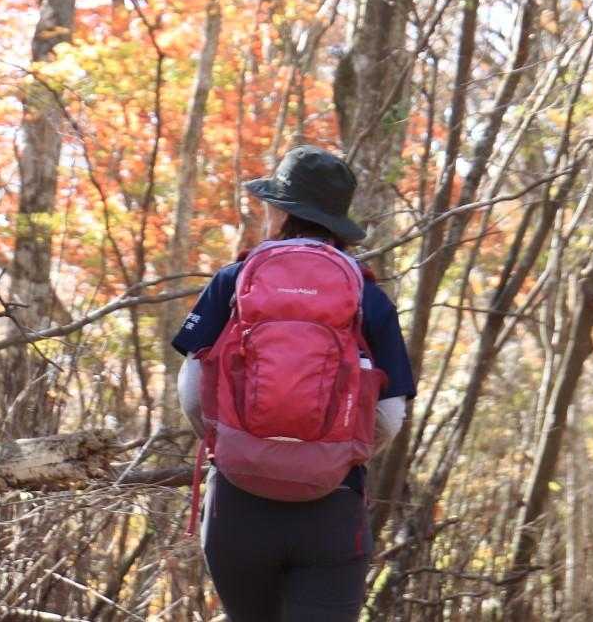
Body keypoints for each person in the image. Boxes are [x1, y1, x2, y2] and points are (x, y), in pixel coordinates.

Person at [171, 144, 416, 622]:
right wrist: (339, 453)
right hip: (332, 508)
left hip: (237, 506)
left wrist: (232, 442)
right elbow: (390, 414)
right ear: (336, 221)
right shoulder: (367, 295)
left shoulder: (234, 279)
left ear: (282, 212)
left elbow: (191, 388)